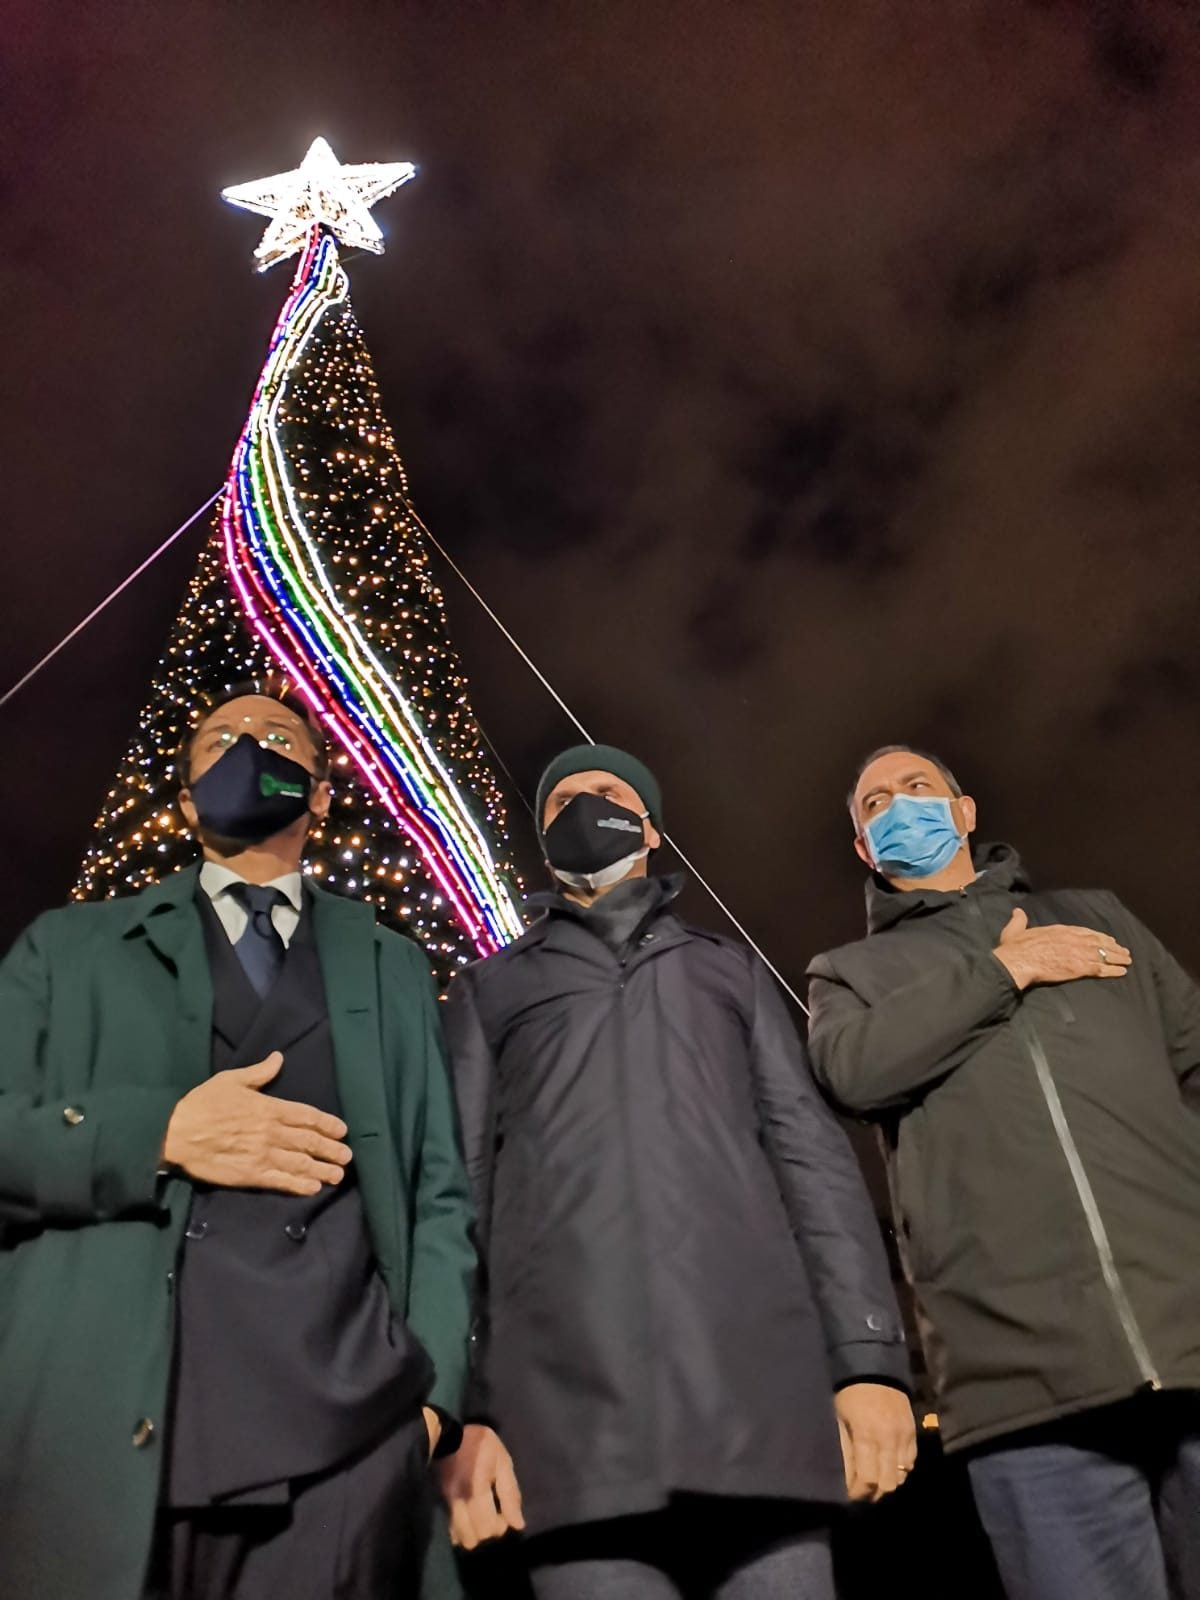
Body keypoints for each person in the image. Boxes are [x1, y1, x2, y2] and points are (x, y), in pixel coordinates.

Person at [0, 679, 474, 1600]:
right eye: (221, 740)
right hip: (106, 1430)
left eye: (278, 737)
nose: (250, 747)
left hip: (348, 1443)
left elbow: (440, 1192)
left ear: (322, 795)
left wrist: (430, 1404)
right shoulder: (65, 950)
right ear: (186, 803)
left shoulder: (394, 964)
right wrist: (154, 1133)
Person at [438, 743, 915, 1600]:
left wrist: (869, 1361)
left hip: (761, 1411)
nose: (586, 807)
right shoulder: (490, 990)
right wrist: (464, 1414)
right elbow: (457, 1197)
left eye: (609, 792)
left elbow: (810, 1162)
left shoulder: (728, 968)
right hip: (571, 1434)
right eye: (563, 802)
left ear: (652, 829)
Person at [806, 743, 1200, 1600]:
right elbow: (852, 1073)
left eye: (918, 787)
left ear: (965, 812)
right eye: (876, 803)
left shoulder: (1097, 914)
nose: (900, 804)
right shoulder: (849, 975)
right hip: (1022, 1390)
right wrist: (1005, 971)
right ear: (865, 848)